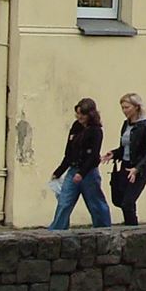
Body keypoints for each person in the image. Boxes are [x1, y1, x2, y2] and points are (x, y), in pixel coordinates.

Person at [49, 97, 112, 229]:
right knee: (64, 202)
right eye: (77, 114)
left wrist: (82, 173)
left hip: (89, 172)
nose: (79, 117)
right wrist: (59, 171)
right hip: (73, 169)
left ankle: (103, 229)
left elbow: (93, 156)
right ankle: (57, 230)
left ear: (90, 114)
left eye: (82, 114)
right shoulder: (76, 127)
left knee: (95, 203)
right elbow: (69, 152)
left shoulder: (96, 131)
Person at [104, 92, 146, 226]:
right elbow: (124, 148)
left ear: (136, 107)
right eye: (122, 108)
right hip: (125, 166)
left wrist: (137, 168)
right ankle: (130, 226)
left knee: (128, 202)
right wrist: (114, 154)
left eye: (127, 107)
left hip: (138, 170)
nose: (124, 111)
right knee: (120, 200)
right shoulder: (126, 125)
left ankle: (132, 228)